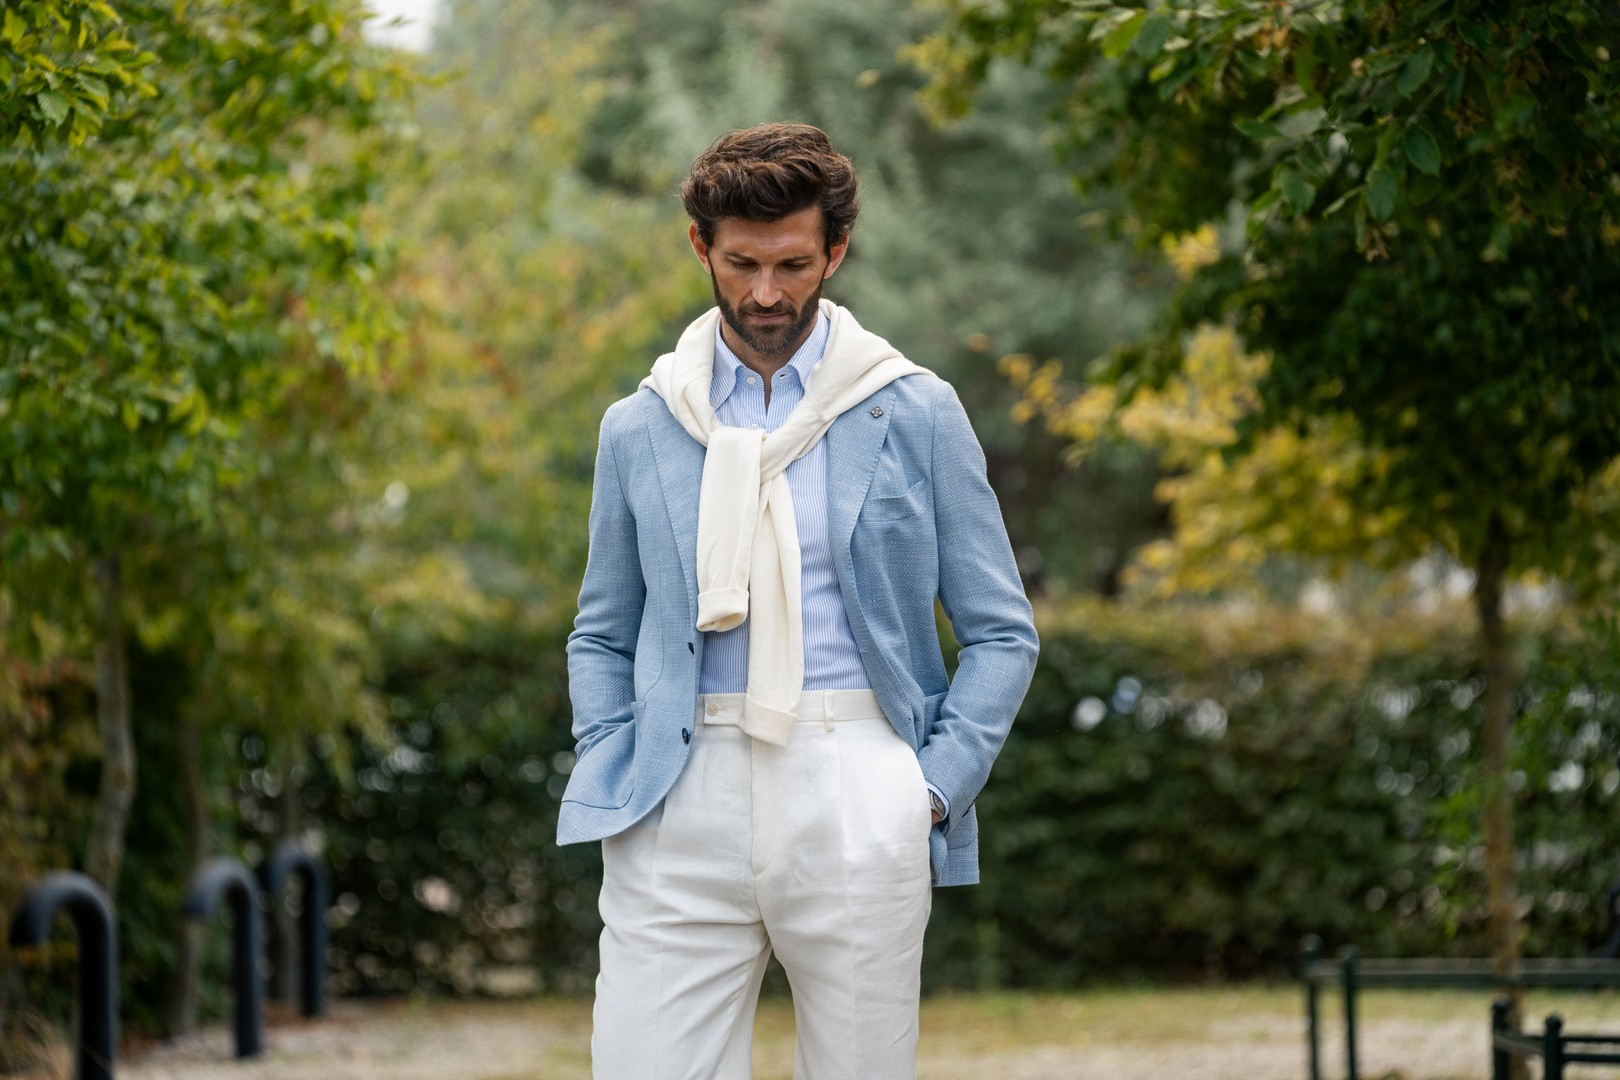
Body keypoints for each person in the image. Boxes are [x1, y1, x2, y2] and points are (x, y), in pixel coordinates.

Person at [557, 122, 1038, 1080]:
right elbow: (602, 632)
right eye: (742, 264)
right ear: (701, 247)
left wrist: (926, 792)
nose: (767, 294)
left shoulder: (915, 408)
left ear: (836, 252)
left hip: (857, 782)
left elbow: (1001, 632)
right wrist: (615, 753)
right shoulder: (641, 425)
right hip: (677, 789)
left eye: (792, 265)